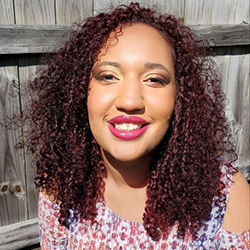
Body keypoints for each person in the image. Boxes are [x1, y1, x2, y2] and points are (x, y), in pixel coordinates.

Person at [28, 3, 249, 249]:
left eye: (154, 80)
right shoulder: (60, 187)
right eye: (108, 76)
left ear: (180, 97)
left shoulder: (224, 195)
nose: (130, 101)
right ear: (80, 90)